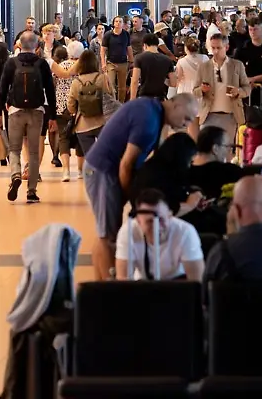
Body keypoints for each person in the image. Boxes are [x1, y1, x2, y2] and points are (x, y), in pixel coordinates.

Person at [81, 93, 200, 280]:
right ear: (175, 106)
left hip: (106, 169)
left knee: (106, 231)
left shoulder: (154, 110)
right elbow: (126, 164)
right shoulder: (149, 121)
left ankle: (101, 283)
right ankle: (108, 292)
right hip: (102, 170)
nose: (186, 125)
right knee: (109, 235)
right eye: (186, 118)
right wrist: (134, 199)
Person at [0, 31, 57, 204]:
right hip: (37, 111)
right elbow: (50, 91)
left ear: (19, 45)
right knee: (34, 152)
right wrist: (53, 116)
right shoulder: (42, 64)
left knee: (14, 149)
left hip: (15, 111)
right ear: (37, 46)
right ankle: (32, 192)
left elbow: (2, 89)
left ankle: (15, 175)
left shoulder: (11, 63)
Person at [112, 189, 204, 281]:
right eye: (149, 222)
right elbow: (123, 280)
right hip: (143, 284)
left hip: (178, 283)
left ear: (170, 216)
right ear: (138, 221)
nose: (157, 227)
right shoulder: (128, 232)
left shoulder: (186, 231)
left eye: (161, 219)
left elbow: (197, 280)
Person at [192, 32, 250, 140]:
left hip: (230, 115)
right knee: (206, 149)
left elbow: (247, 88)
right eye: (213, 48)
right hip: (208, 115)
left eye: (219, 48)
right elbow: (194, 91)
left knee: (226, 149)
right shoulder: (204, 67)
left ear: (226, 47)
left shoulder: (237, 65)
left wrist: (238, 91)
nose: (215, 51)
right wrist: (202, 90)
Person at [66, 49, 115, 166]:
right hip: (103, 122)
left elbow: (70, 106)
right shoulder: (103, 78)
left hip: (83, 125)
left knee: (90, 157)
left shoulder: (76, 82)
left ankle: (93, 180)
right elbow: (112, 97)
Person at [47, 45, 79, 179]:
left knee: (63, 137)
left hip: (60, 105)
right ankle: (81, 170)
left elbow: (52, 83)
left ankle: (66, 170)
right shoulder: (81, 66)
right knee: (80, 136)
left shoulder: (58, 67)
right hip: (77, 106)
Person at [130, 33, 176, 101]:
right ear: (157, 45)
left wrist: (132, 99)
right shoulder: (167, 60)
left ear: (145, 45)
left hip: (144, 97)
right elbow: (173, 83)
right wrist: (162, 79)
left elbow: (135, 81)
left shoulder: (139, 58)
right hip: (160, 98)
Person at [101, 16, 132, 101]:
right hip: (111, 63)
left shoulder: (126, 34)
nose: (118, 23)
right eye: (116, 21)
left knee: (122, 87)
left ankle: (121, 104)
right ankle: (112, 103)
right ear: (113, 23)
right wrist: (103, 63)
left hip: (123, 63)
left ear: (123, 24)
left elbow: (129, 48)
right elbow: (103, 50)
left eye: (120, 21)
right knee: (111, 85)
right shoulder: (108, 35)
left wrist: (131, 61)